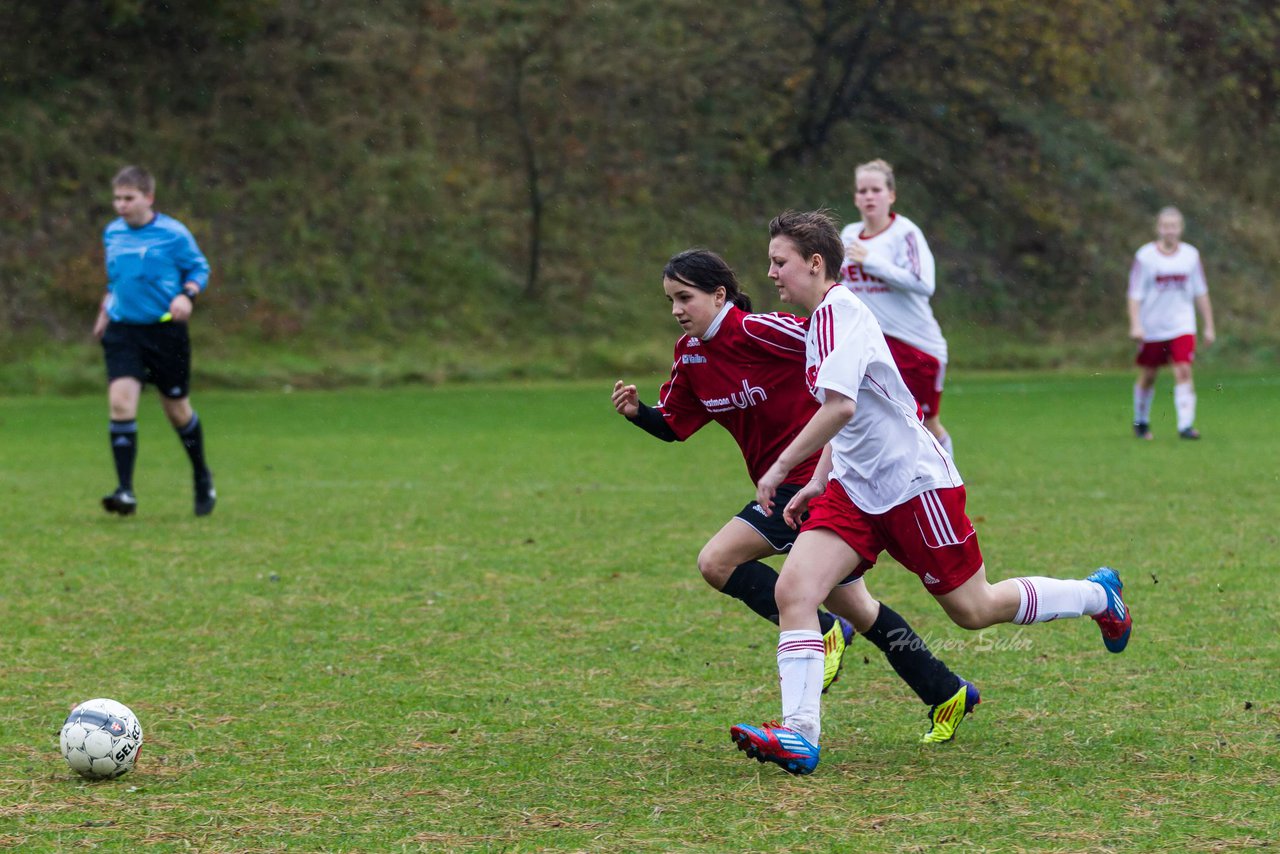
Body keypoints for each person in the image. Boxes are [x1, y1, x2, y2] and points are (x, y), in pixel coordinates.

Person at [729, 211, 1132, 776]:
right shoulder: (820, 321)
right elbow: (846, 412)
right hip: (854, 491)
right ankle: (799, 734)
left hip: (915, 487)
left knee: (974, 609)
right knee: (794, 591)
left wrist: (781, 468)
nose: (770, 273)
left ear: (814, 263)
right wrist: (819, 480)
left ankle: (1097, 596)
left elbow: (840, 406)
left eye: (779, 262)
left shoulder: (840, 314)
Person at [613, 248, 978, 745]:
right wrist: (638, 414)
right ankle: (945, 690)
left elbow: (844, 355)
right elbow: (675, 425)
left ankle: (815, 672)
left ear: (719, 296)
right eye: (671, 300)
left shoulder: (768, 331)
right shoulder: (691, 355)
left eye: (686, 297)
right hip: (782, 486)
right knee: (859, 608)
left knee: (718, 562)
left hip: (815, 479)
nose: (677, 309)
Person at [92, 165, 216, 517]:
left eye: (128, 198)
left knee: (176, 410)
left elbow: (199, 268)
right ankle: (125, 491)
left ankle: (201, 475)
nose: (121, 205)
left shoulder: (173, 234)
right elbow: (117, 280)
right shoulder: (112, 233)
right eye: (117, 198)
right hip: (123, 330)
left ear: (148, 198)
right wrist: (105, 309)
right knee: (120, 403)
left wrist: (187, 295)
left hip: (165, 332)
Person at [838, 159, 953, 453]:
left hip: (915, 344)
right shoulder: (848, 235)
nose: (868, 196)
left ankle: (950, 484)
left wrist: (872, 262)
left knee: (925, 422)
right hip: (872, 344)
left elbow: (924, 283)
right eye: (862, 190)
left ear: (891, 195)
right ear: (855, 198)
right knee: (874, 421)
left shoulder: (905, 234)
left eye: (876, 189)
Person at [1127, 206, 1216, 440]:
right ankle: (1141, 421)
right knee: (1149, 374)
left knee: (1184, 370)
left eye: (1174, 226)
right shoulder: (1145, 256)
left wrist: (1209, 325)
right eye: (1166, 226)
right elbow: (1134, 294)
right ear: (1158, 228)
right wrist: (1136, 324)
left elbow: (1201, 291)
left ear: (1181, 229)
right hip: (1153, 326)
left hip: (1182, 324)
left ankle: (1185, 426)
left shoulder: (1190, 256)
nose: (1170, 231)